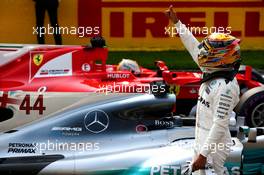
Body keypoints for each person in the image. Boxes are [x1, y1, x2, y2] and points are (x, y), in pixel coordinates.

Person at [165, 5, 241, 175]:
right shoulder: (212, 68)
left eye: (208, 51)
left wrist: (203, 154)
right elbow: (193, 46)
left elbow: (220, 124)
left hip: (214, 148)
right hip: (203, 141)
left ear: (221, 57)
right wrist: (177, 23)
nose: (202, 53)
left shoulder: (226, 87)